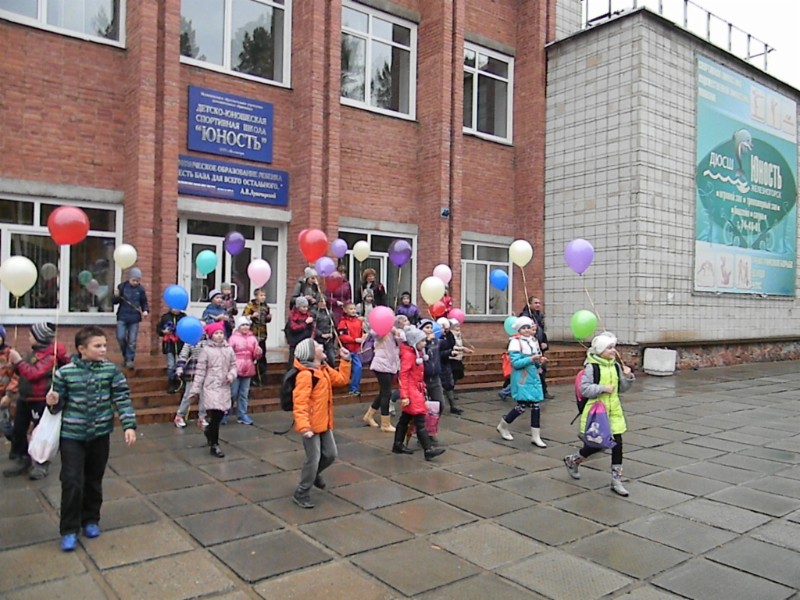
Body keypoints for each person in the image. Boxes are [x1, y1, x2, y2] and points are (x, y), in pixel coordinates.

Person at [46, 326, 137, 552]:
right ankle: (69, 529)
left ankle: (91, 519)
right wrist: (53, 401)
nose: (103, 349)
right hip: (72, 436)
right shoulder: (64, 373)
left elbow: (122, 398)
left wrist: (128, 425)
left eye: (104, 345)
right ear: (82, 349)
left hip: (99, 435)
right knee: (72, 482)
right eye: (97, 346)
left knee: (94, 480)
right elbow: (56, 406)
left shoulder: (111, 371)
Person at [564, 332, 635, 496]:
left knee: (617, 445)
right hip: (597, 412)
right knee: (597, 445)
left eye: (614, 347)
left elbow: (622, 388)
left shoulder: (615, 366)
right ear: (601, 350)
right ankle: (573, 460)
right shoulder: (592, 367)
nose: (613, 351)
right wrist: (602, 388)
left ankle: (616, 480)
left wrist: (628, 376)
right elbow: (584, 389)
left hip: (614, 410)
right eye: (609, 348)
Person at [291, 338, 352, 509]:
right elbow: (300, 403)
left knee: (331, 454)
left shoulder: (323, 369)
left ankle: (314, 475)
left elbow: (341, 380)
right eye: (317, 345)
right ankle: (302, 492)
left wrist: (346, 361)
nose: (322, 346)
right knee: (313, 459)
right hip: (310, 426)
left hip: (324, 422)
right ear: (311, 354)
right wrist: (304, 427)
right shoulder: (306, 375)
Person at [3, 322, 68, 480]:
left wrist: (19, 361)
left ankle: (41, 463)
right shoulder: (32, 353)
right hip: (24, 398)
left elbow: (33, 374)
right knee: (19, 430)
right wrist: (14, 365)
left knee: (41, 433)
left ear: (40, 337)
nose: (28, 337)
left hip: (40, 400)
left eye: (31, 335)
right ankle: (22, 458)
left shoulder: (50, 357)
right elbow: (23, 371)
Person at [391, 327, 445, 460]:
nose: (425, 343)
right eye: (422, 341)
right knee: (420, 419)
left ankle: (398, 444)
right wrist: (405, 395)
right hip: (412, 391)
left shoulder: (415, 353)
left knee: (405, 418)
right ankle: (428, 449)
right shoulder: (409, 355)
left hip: (415, 389)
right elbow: (403, 376)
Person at [496, 316, 548, 448]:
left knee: (536, 406)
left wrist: (539, 361)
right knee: (521, 406)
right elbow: (515, 363)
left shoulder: (533, 341)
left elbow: (535, 362)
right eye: (523, 328)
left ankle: (536, 436)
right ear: (519, 330)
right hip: (522, 378)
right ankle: (503, 425)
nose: (526, 330)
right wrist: (531, 359)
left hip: (533, 378)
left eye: (528, 327)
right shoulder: (515, 342)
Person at [187, 322, 237, 458]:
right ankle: (215, 444)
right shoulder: (206, 350)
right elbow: (200, 372)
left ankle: (209, 431)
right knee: (215, 414)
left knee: (220, 414)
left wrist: (231, 375)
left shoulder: (228, 349)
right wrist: (195, 390)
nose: (219, 335)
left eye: (221, 333)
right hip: (211, 387)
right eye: (216, 333)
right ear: (211, 336)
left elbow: (234, 365)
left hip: (224, 386)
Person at [362, 317, 403, 432]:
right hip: (381, 364)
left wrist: (396, 333)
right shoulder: (379, 330)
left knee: (384, 392)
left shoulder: (394, 330)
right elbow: (374, 334)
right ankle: (385, 423)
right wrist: (385, 329)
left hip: (391, 365)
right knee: (387, 393)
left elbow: (401, 341)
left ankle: (369, 415)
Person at [227, 316, 262, 425]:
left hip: (248, 367)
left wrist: (258, 353)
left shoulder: (253, 339)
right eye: (243, 325)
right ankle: (225, 412)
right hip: (235, 369)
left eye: (247, 325)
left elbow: (255, 355)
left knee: (244, 394)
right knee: (233, 392)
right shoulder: (233, 338)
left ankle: (242, 414)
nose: (245, 327)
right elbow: (229, 353)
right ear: (238, 327)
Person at [112, 267, 149, 368]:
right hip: (122, 316)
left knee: (132, 340)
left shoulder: (140, 289)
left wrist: (145, 310)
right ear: (129, 278)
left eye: (138, 280)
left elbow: (144, 302)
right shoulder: (122, 287)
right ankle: (125, 355)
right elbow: (114, 302)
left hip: (134, 318)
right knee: (120, 337)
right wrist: (116, 296)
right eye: (134, 280)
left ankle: (129, 359)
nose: (136, 282)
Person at [520, 296, 553, 399]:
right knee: (533, 370)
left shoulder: (539, 316)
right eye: (535, 303)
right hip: (530, 348)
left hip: (539, 348)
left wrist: (544, 342)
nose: (538, 305)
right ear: (529, 304)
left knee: (541, 369)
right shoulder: (525, 317)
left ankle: (543, 391)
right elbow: (526, 333)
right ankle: (507, 390)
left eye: (539, 303)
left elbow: (541, 332)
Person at [173, 336, 209, 429]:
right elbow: (183, 356)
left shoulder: (209, 342)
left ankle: (202, 417)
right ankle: (179, 416)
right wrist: (180, 367)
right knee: (189, 395)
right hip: (193, 372)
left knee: (204, 396)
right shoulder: (190, 341)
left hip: (206, 372)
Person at [243, 288, 271, 386]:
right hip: (253, 334)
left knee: (262, 356)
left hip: (262, 334)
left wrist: (268, 318)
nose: (263, 297)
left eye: (264, 295)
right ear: (256, 296)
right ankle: (251, 377)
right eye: (261, 295)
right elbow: (244, 317)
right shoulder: (251, 305)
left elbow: (265, 319)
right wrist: (252, 316)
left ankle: (261, 377)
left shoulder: (266, 306)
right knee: (252, 355)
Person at [337, 302, 365, 396]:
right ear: (345, 310)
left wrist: (363, 337)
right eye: (351, 309)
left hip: (357, 349)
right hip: (347, 350)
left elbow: (362, 332)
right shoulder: (343, 322)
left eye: (354, 309)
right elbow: (342, 336)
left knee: (358, 368)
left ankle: (354, 389)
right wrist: (354, 340)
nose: (353, 311)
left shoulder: (359, 321)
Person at [436, 317, 463, 415]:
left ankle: (453, 406)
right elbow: (437, 353)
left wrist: (448, 333)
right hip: (438, 364)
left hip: (445, 363)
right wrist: (449, 352)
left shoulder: (446, 336)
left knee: (449, 384)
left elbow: (451, 343)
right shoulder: (436, 338)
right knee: (436, 386)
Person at [157, 307, 186, 393]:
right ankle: (171, 382)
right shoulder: (165, 317)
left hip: (181, 344)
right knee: (171, 365)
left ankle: (180, 381)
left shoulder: (183, 317)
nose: (176, 310)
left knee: (180, 363)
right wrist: (163, 331)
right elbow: (158, 329)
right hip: (169, 345)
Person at [0, 325, 19, 454]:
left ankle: (17, 446)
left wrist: (9, 394)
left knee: (4, 424)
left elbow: (16, 376)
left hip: (3, 395)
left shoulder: (10, 354)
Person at [285, 296, 315, 366]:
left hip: (305, 342)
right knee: (293, 360)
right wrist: (305, 323)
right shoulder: (293, 316)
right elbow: (294, 328)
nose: (306, 309)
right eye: (303, 307)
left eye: (306, 307)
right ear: (298, 307)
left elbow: (312, 328)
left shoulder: (308, 315)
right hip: (295, 342)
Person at [449, 318, 473, 392]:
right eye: (456, 326)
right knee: (453, 375)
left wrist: (467, 346)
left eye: (458, 326)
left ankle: (451, 390)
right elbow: (451, 346)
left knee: (458, 374)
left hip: (459, 357)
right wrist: (463, 349)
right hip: (452, 358)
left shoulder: (459, 334)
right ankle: (450, 391)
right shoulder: (450, 335)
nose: (458, 327)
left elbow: (461, 342)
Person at [313, 297, 337, 367]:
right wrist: (321, 334)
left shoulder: (330, 313)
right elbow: (313, 326)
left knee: (331, 357)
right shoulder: (314, 313)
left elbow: (333, 325)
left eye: (324, 302)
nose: (323, 303)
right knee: (320, 358)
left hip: (329, 339)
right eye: (321, 302)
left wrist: (331, 333)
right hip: (318, 339)